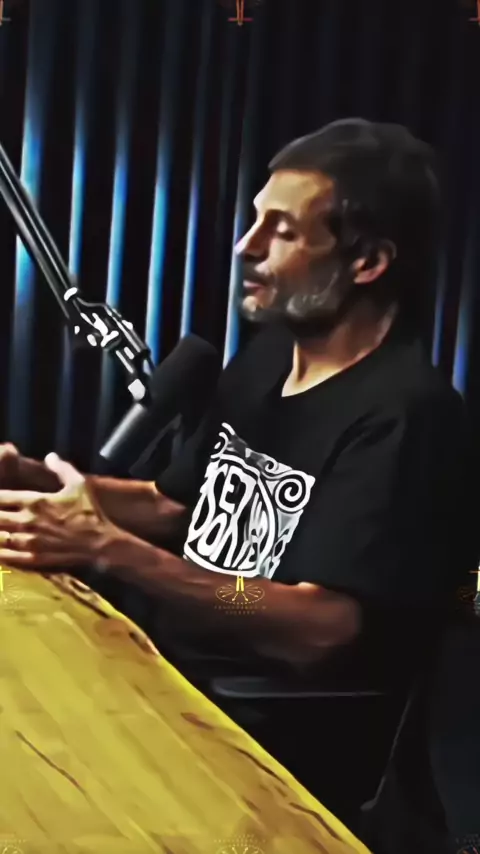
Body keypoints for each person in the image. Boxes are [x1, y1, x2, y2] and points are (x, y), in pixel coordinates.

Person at [0, 118, 475, 689]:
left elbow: (319, 624)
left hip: (253, 717)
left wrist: (114, 552)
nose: (246, 246)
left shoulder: (406, 415)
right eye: (255, 220)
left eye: (282, 231)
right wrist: (30, 480)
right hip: (156, 663)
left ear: (367, 262)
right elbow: (172, 506)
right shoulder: (269, 356)